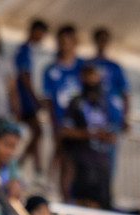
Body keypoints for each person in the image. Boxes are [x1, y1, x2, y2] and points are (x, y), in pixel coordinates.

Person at [59, 62, 121, 215]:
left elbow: (113, 129)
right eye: (88, 76)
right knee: (84, 204)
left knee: (105, 203)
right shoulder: (76, 103)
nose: (92, 80)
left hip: (102, 161)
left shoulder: (104, 104)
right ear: (82, 78)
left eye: (94, 76)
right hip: (83, 161)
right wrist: (91, 133)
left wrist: (108, 136)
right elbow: (65, 131)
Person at [43, 24, 83, 194]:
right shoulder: (50, 69)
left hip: (81, 125)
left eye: (68, 41)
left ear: (75, 43)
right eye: (61, 41)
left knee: (77, 162)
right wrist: (54, 125)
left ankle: (73, 195)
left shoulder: (83, 67)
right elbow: (49, 101)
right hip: (62, 123)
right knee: (61, 156)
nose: (64, 45)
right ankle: (54, 189)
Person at [13, 18, 48, 173]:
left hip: (25, 99)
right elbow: (24, 75)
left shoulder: (28, 50)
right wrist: (34, 97)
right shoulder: (24, 50)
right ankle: (22, 164)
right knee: (37, 131)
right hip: (24, 100)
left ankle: (34, 164)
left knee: (36, 133)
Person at [89, 27, 128, 124]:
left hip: (113, 116)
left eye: (105, 40)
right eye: (100, 39)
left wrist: (125, 117)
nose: (102, 43)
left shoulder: (115, 67)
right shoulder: (88, 65)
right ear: (95, 41)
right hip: (93, 118)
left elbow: (125, 93)